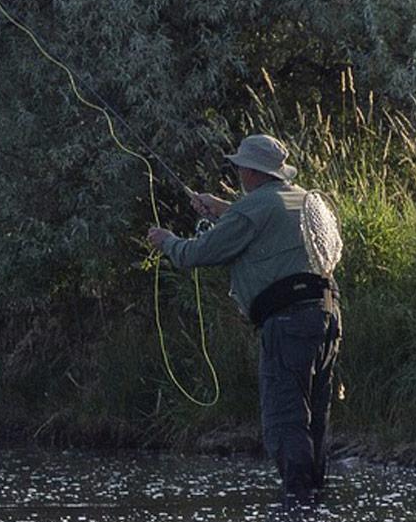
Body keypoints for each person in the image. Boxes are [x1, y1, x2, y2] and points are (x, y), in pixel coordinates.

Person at [146, 133, 343, 493]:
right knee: (314, 418)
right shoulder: (302, 199)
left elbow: (197, 254)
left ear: (250, 172)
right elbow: (266, 219)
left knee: (286, 421)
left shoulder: (251, 209)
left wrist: (167, 242)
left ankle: (297, 515)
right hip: (327, 317)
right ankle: (315, 512)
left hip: (287, 323)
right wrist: (224, 208)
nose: (237, 172)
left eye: (239, 168)